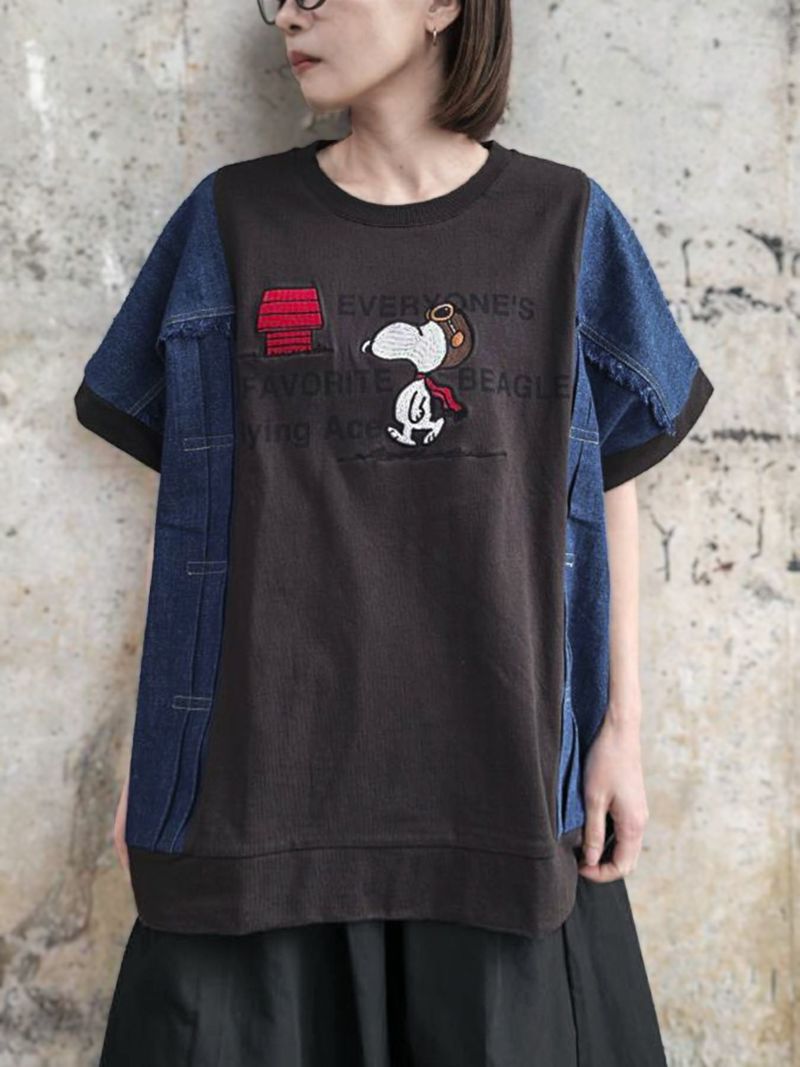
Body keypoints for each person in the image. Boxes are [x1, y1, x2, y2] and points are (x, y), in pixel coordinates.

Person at [79, 0, 714, 1063]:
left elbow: (610, 482)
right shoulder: (229, 224)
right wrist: (157, 756)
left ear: (439, 6)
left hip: (499, 791)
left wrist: (620, 732)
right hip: (259, 800)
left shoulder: (562, 222)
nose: (289, 12)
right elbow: (188, 503)